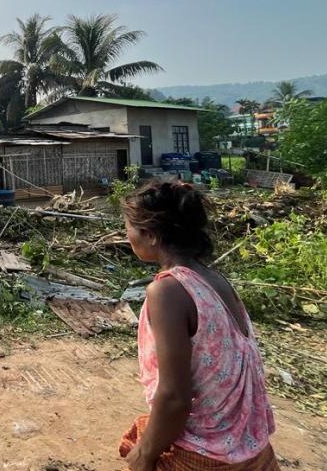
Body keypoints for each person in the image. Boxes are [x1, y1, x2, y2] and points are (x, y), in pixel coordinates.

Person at [119, 180, 278, 471]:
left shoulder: (167, 291)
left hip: (207, 455)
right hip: (252, 448)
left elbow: (174, 397)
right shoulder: (215, 280)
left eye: (128, 227)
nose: (126, 235)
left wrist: (145, 454)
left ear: (151, 235)